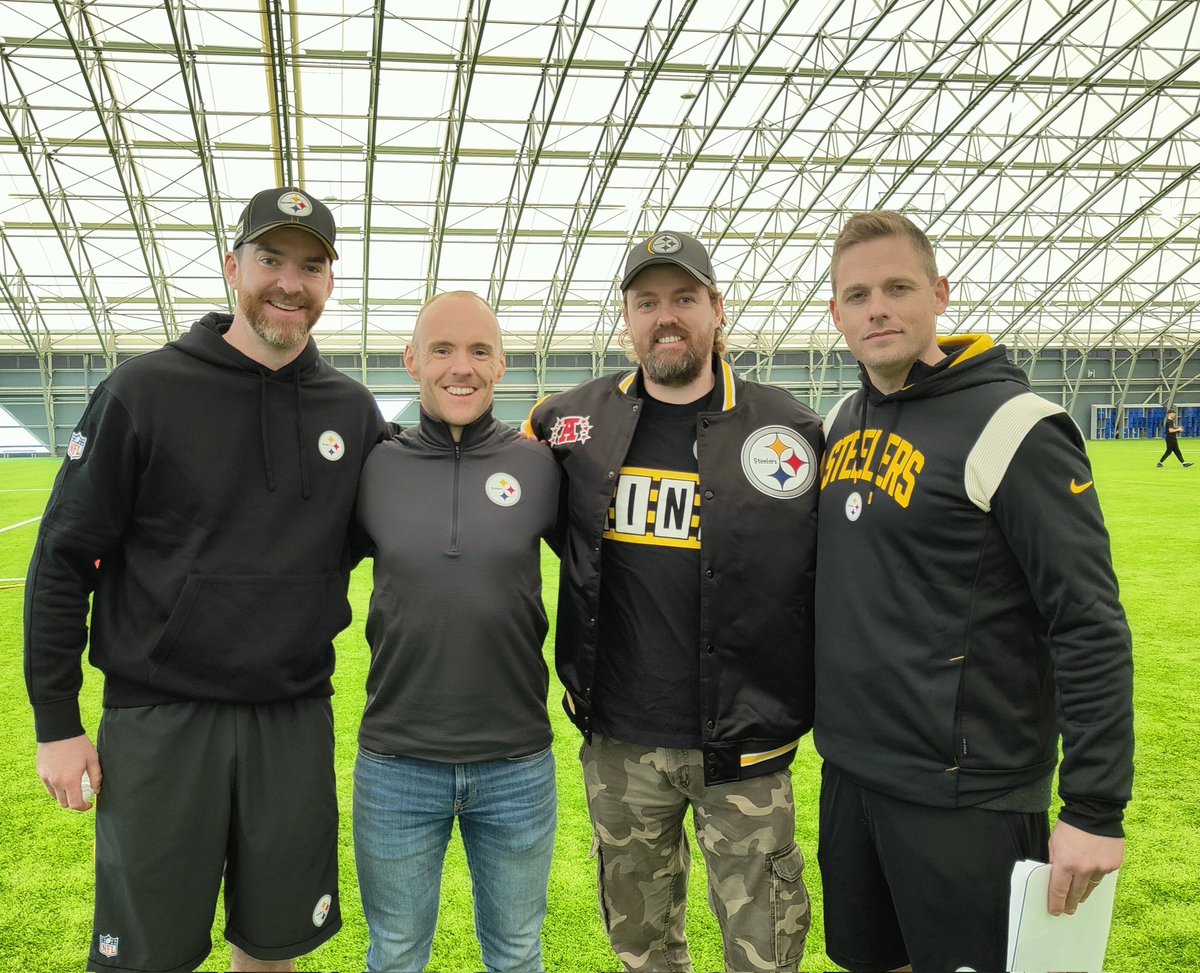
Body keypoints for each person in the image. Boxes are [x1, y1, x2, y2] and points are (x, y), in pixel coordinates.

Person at [24, 187, 389, 973]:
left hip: (291, 720)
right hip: (161, 720)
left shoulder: (352, 412)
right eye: (271, 259)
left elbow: (404, 526)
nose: (290, 282)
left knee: (273, 945)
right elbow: (63, 557)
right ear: (233, 266)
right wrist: (57, 720)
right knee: (145, 958)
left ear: (331, 281)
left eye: (312, 265)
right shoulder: (143, 390)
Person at [815, 210, 1134, 973]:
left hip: (967, 794)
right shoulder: (839, 420)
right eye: (857, 295)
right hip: (852, 773)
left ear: (940, 293)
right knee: (870, 961)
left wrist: (1094, 809)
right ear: (836, 314)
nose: (877, 308)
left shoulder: (1016, 424)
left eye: (898, 287)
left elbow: (1087, 620)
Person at [524, 231, 821, 973]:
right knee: (642, 949)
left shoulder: (790, 430)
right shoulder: (569, 423)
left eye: (685, 299)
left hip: (745, 746)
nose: (667, 316)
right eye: (648, 300)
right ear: (626, 315)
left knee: (766, 952)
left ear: (716, 309)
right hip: (621, 741)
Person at [353, 291, 561, 973]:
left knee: (516, 953)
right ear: (412, 360)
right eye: (442, 349)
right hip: (396, 762)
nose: (460, 367)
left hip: (517, 763)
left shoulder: (539, 467)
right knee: (396, 954)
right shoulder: (375, 467)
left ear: (502, 363)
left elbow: (607, 573)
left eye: (478, 350)